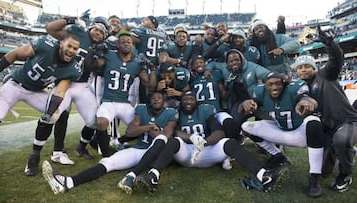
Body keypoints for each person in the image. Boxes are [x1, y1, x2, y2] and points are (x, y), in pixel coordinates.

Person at [121, 91, 286, 194]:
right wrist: (191, 138)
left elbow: (219, 132)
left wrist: (204, 142)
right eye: (185, 99)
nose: (188, 102)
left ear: (196, 101)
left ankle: (263, 175)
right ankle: (153, 177)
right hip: (186, 153)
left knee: (229, 143)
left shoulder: (205, 111)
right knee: (174, 141)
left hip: (207, 151)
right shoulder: (176, 114)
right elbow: (174, 132)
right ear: (181, 102)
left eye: (191, 99)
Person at [42, 91, 178, 194]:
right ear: (149, 101)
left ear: (164, 101)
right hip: (138, 149)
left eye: (159, 98)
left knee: (160, 140)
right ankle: (68, 182)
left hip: (156, 153)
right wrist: (149, 127)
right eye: (153, 98)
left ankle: (132, 176)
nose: (156, 100)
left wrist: (142, 129)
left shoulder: (170, 113)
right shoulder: (142, 109)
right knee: (108, 163)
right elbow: (130, 131)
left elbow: (165, 136)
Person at [24, 17, 110, 177]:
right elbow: (52, 30)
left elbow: (92, 68)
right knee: (51, 116)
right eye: (96, 29)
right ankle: (34, 157)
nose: (97, 33)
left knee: (95, 120)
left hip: (82, 86)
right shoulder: (77, 33)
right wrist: (68, 21)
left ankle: (84, 148)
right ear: (91, 28)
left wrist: (98, 53)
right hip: (64, 81)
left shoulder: (101, 48)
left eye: (101, 32)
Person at [239, 72, 325, 197]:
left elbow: (305, 98)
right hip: (280, 130)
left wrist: (307, 102)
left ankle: (315, 177)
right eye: (270, 85)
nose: (274, 87)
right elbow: (242, 111)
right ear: (265, 86)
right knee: (246, 127)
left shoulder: (293, 88)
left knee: (314, 122)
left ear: (284, 83)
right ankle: (277, 156)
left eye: (277, 84)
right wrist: (244, 104)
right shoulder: (260, 92)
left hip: (300, 133)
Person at [294, 25, 357, 193]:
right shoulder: (300, 87)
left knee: (341, 140)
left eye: (307, 66)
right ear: (296, 72)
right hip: (328, 129)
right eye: (300, 68)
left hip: (348, 121)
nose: (304, 69)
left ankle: (345, 175)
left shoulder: (325, 74)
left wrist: (329, 42)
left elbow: (337, 58)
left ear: (314, 68)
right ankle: (347, 151)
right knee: (323, 171)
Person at [0, 34, 81, 127]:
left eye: (75, 48)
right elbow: (15, 54)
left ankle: (39, 141)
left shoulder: (73, 69)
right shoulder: (46, 46)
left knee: (58, 112)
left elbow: (60, 91)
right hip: (16, 85)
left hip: (35, 92)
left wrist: (49, 114)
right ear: (61, 43)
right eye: (69, 46)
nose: (71, 50)